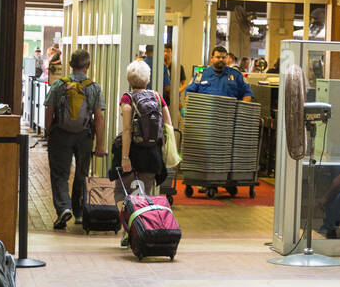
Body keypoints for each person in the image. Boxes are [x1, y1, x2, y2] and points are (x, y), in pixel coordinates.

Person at [44, 49, 106, 230]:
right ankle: (79, 213)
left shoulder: (59, 85)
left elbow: (49, 110)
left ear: (70, 65)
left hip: (61, 135)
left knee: (59, 174)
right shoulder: (94, 87)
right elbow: (99, 117)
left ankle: (64, 207)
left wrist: (49, 133)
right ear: (88, 65)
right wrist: (100, 144)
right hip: (84, 136)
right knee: (81, 173)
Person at [112, 60, 172, 237]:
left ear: (129, 80)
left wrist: (125, 158)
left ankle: (127, 230)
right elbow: (168, 125)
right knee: (144, 194)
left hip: (132, 152)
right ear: (148, 79)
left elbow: (127, 130)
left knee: (121, 192)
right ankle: (141, 231)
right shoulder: (157, 97)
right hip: (152, 155)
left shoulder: (127, 99)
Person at [184, 46, 253, 101]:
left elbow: (247, 94)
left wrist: (240, 112)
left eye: (223, 57)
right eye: (218, 57)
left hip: (228, 115)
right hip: (204, 115)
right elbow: (189, 93)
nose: (221, 60)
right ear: (211, 58)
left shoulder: (236, 75)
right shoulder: (201, 75)